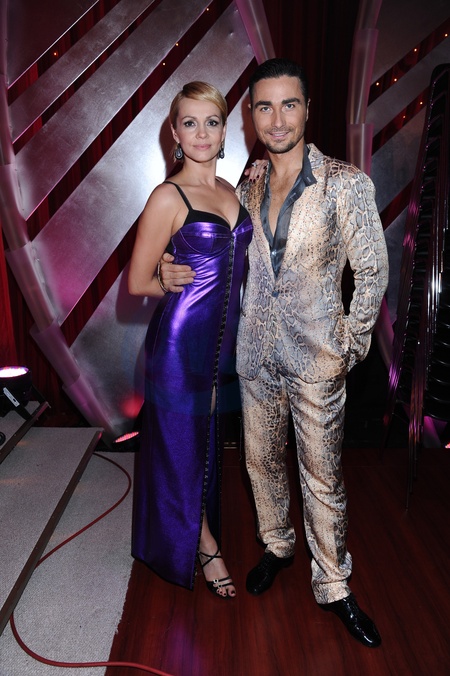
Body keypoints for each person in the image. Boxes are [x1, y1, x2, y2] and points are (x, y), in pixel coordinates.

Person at [160, 58, 388, 647]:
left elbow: (372, 271)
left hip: (319, 357)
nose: (278, 119)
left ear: (308, 109)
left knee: (322, 475)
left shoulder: (345, 183)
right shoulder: (248, 183)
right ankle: (278, 545)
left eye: (289, 104)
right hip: (255, 355)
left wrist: (349, 345)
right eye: (265, 106)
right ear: (251, 116)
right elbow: (216, 252)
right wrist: (166, 266)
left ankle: (334, 583)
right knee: (259, 461)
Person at [128, 81, 253, 598]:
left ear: (224, 132)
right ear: (175, 134)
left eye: (212, 122)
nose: (202, 133)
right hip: (180, 346)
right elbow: (136, 282)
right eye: (190, 123)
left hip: (223, 348)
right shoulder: (168, 196)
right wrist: (165, 277)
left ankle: (195, 531)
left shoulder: (231, 191)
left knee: (204, 446)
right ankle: (204, 546)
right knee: (180, 449)